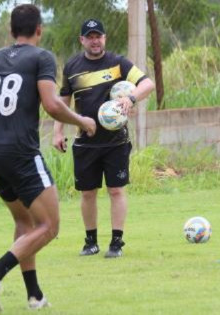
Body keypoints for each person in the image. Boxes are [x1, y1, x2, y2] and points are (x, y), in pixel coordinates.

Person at [0, 4, 96, 312]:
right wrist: (82, 121)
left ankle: (34, 296)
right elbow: (52, 104)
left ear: (11, 31)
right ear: (39, 30)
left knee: (26, 222)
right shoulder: (41, 57)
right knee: (49, 226)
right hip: (20, 153)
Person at [53, 19, 155, 258]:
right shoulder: (72, 67)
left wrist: (131, 99)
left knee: (116, 190)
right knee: (88, 193)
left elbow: (147, 84)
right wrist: (58, 131)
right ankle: (91, 242)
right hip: (85, 140)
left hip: (115, 141)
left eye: (98, 36)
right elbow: (63, 102)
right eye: (89, 36)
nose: (95, 40)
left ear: (105, 38)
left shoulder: (119, 64)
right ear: (82, 40)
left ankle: (117, 243)